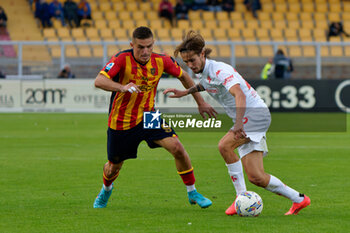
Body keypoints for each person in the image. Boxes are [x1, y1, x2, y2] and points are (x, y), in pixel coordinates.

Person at [164, 30, 311, 216]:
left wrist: (239, 124)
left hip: (254, 115)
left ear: (202, 54)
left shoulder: (220, 69)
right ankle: (299, 199)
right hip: (249, 117)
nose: (190, 65)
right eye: (186, 62)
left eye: (192, 60)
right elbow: (206, 84)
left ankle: (240, 197)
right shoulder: (206, 73)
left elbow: (239, 93)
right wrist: (185, 92)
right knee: (256, 177)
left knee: (224, 146)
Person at [93, 26, 217, 209]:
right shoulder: (121, 59)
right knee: (113, 167)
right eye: (140, 47)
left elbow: (185, 77)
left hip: (149, 116)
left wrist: (200, 102)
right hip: (121, 121)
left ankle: (192, 192)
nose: (145, 51)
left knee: (177, 147)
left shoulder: (161, 61)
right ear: (131, 45)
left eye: (149, 47)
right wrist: (122, 87)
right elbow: (99, 81)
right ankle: (106, 189)